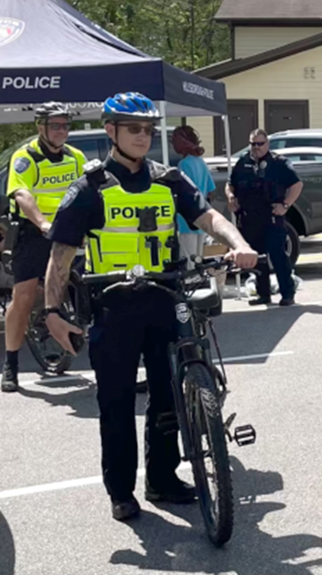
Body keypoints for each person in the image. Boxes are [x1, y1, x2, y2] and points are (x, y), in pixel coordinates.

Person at [43, 92, 258, 521]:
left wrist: (240, 244)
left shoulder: (169, 179)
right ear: (112, 131)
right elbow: (60, 257)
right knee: (117, 404)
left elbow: (208, 217)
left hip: (164, 299)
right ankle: (121, 491)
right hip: (113, 306)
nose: (143, 136)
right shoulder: (89, 187)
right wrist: (52, 312)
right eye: (133, 129)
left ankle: (163, 479)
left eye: (147, 128)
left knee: (166, 396)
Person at [1, 102, 86, 393]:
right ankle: (10, 364)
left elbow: (87, 190)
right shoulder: (25, 157)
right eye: (55, 126)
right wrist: (42, 223)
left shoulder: (75, 157)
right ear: (41, 128)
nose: (62, 131)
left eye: (65, 126)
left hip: (68, 229)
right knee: (23, 295)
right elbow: (23, 194)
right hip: (34, 231)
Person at [225, 129, 303, 306]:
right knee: (257, 258)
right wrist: (231, 197)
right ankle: (263, 294)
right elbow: (230, 185)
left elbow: (297, 185)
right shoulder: (243, 162)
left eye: (260, 144)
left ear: (267, 144)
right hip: (249, 218)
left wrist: (285, 205)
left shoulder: (278, 163)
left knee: (278, 257)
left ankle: (287, 294)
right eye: (253, 143)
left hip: (272, 217)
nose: (256, 147)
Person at [171, 125, 216, 267]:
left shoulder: (183, 164)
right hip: (200, 220)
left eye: (174, 140)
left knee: (188, 263)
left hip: (185, 222)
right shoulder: (201, 162)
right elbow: (210, 189)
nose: (172, 144)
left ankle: (191, 287)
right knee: (198, 261)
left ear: (183, 142)